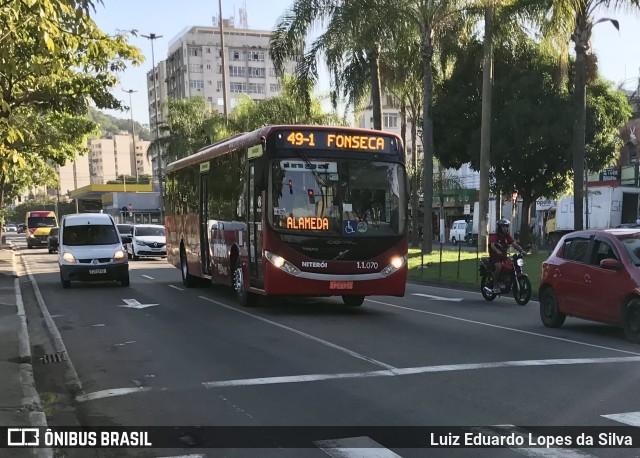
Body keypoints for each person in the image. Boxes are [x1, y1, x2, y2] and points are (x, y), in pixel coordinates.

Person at [487, 219, 525, 294]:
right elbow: (492, 245)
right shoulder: (495, 236)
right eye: (503, 227)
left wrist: (521, 250)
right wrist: (497, 251)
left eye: (506, 227)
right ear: (499, 228)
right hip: (495, 257)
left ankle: (508, 281)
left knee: (512, 265)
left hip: (504, 257)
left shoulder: (507, 236)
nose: (505, 228)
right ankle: (495, 285)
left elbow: (514, 244)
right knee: (499, 266)